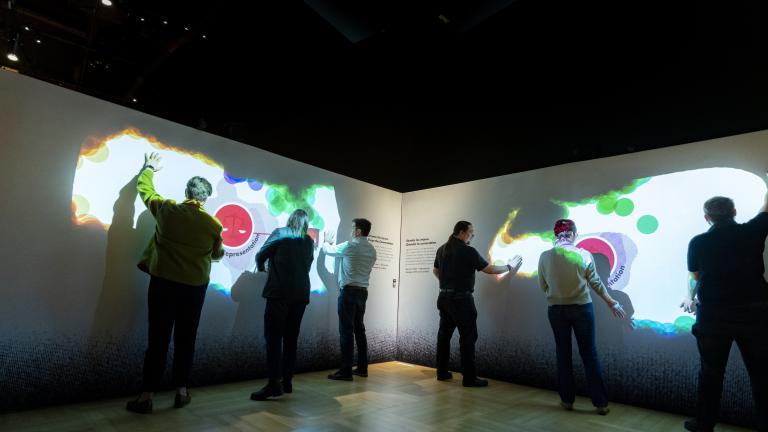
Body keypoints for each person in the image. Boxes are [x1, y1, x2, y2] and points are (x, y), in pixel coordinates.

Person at [126, 152, 224, 414]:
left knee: (157, 339)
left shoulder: (167, 210)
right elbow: (216, 255)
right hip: (194, 290)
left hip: (163, 285)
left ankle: (146, 397)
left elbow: (145, 189)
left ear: (186, 191)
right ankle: (181, 391)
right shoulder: (214, 224)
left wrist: (148, 168)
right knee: (186, 340)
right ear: (206, 197)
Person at [681, 192, 768, 432]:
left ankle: (704, 424)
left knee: (710, 373)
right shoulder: (753, 231)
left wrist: (689, 296)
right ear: (735, 212)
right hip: (755, 315)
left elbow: (695, 276)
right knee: (762, 374)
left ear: (707, 217)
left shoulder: (698, 242)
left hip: (713, 317)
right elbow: (766, 207)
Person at [537, 219, 625, 415]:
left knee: (563, 354)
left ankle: (567, 401)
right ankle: (600, 404)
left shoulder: (545, 256)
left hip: (556, 310)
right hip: (582, 309)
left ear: (556, 235)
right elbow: (596, 283)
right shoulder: (583, 254)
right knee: (589, 354)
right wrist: (611, 302)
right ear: (574, 234)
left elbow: (542, 286)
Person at [432, 220, 523, 387]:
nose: (472, 236)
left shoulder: (442, 249)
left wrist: (447, 284)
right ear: (461, 232)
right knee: (467, 338)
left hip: (444, 298)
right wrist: (510, 266)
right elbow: (490, 270)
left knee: (444, 336)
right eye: (470, 233)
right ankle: (469, 378)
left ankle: (442, 372)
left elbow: (436, 271)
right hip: (462, 300)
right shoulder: (468, 251)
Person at [250, 209, 315, 400]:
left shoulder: (280, 233)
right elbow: (308, 265)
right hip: (301, 294)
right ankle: (287, 382)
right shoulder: (309, 241)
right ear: (305, 224)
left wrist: (263, 269)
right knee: (291, 339)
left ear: (290, 220)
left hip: (279, 293)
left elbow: (260, 255)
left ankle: (273, 384)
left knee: (274, 338)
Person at [323, 218, 378, 381]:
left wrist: (326, 242)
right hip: (362, 292)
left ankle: (346, 370)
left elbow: (329, 251)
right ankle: (362, 367)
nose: (350, 230)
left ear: (358, 231)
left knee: (346, 331)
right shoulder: (372, 250)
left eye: (352, 227)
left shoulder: (350, 245)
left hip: (348, 292)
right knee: (359, 330)